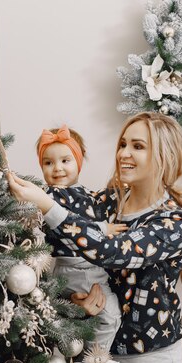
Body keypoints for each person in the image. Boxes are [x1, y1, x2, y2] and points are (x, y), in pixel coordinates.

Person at [8, 112, 182, 363]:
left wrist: (47, 205)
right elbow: (74, 256)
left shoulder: (173, 222)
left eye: (138, 146)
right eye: (123, 144)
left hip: (147, 354)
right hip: (96, 349)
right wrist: (77, 304)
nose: (124, 153)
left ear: (163, 156)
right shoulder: (106, 203)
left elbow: (111, 251)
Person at [36, 124, 126, 351]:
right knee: (110, 315)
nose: (57, 168)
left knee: (102, 316)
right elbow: (66, 223)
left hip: (94, 268)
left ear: (79, 160)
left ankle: (88, 360)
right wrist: (102, 229)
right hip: (74, 269)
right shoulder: (49, 196)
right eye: (48, 162)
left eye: (65, 160)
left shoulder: (87, 194)